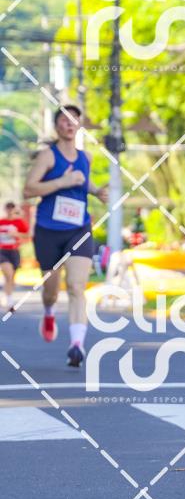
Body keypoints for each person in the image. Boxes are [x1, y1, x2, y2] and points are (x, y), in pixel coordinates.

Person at [23, 104, 108, 367]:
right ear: (57, 125)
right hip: (49, 231)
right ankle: (49, 311)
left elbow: (83, 181)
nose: (70, 124)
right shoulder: (48, 156)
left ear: (79, 125)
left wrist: (97, 192)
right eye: (64, 120)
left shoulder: (86, 157)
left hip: (78, 229)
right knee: (51, 290)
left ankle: (76, 345)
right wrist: (62, 182)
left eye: (74, 120)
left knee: (76, 286)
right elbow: (28, 190)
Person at [0, 201, 30, 313]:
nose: (10, 209)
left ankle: (7, 296)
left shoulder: (19, 222)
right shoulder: (1, 222)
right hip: (2, 251)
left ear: (14, 209)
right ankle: (10, 302)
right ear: (5, 209)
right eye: (8, 207)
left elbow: (28, 234)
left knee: (11, 277)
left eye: (12, 207)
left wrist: (16, 234)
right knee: (8, 273)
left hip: (14, 251)